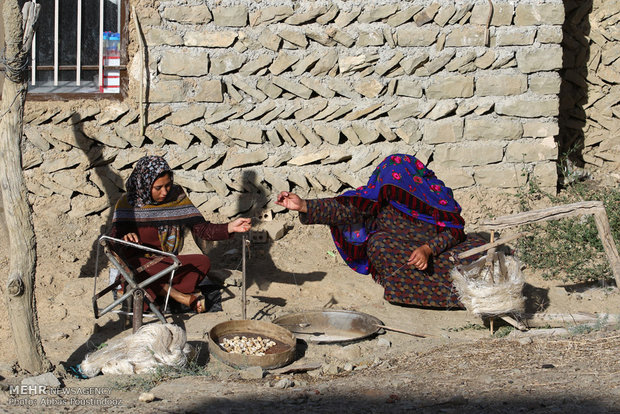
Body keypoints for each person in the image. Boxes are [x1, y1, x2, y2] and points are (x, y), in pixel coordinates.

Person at [276, 154, 486, 309]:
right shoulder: (378, 196)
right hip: (402, 254)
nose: (394, 193)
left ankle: (469, 293)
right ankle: (409, 292)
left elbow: (455, 231)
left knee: (478, 253)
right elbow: (344, 209)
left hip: (437, 253)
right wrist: (304, 205)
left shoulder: (432, 196)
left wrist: (428, 249)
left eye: (399, 187)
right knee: (378, 245)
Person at [109, 155, 251, 313]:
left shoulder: (176, 197)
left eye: (168, 185)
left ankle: (155, 291)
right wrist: (124, 239)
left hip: (165, 264)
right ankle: (181, 297)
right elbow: (112, 244)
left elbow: (202, 229)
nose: (164, 192)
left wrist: (230, 227)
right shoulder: (127, 204)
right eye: (158, 188)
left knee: (203, 262)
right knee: (135, 269)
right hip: (138, 264)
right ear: (144, 184)